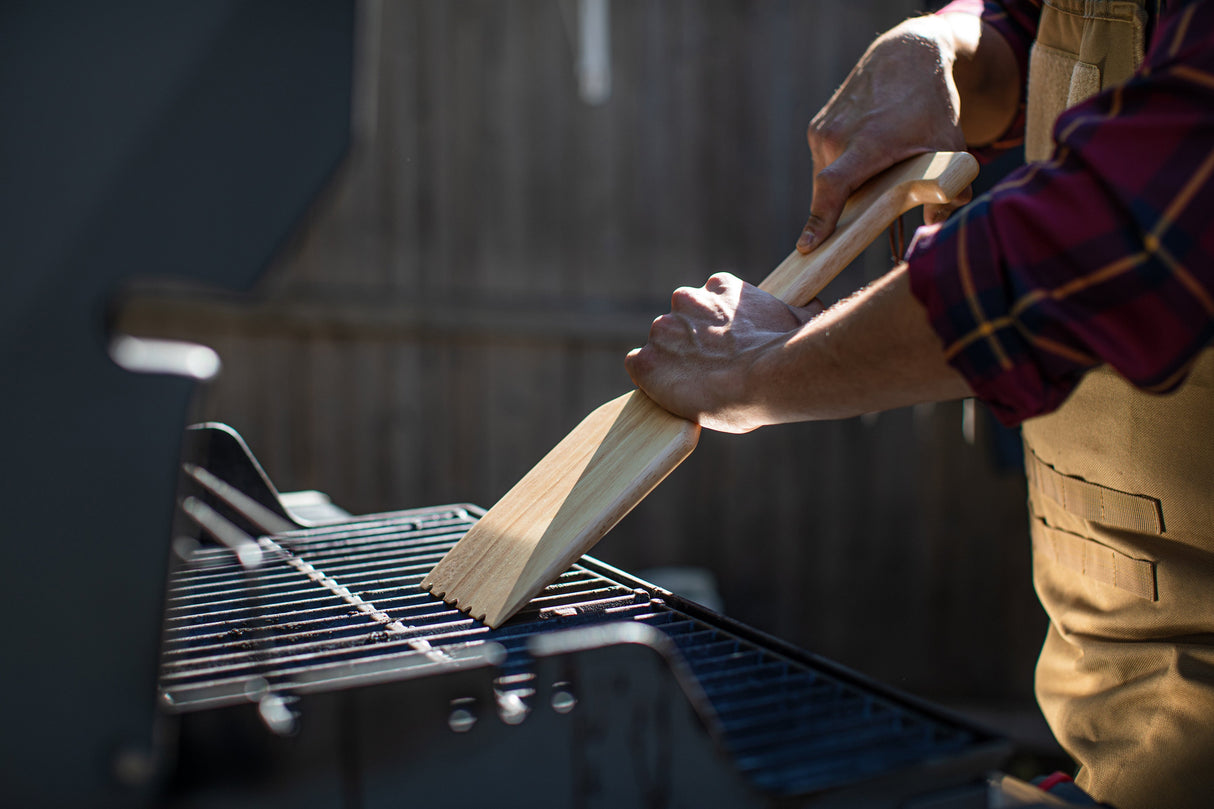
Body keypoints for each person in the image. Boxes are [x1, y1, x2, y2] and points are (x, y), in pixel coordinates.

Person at [624, 2, 1214, 808]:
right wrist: (950, 47)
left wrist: (762, 371)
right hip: (1127, 713)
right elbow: (1041, 23)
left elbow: (1126, 231)